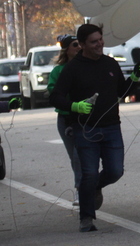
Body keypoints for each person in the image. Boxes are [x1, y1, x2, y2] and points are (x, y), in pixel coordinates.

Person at [50, 23, 140, 232]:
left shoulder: (110, 64)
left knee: (115, 171)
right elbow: (55, 97)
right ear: (82, 45)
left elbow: (121, 90)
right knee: (89, 173)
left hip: (111, 127)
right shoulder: (72, 69)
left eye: (100, 40)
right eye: (93, 42)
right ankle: (87, 217)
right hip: (85, 130)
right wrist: (74, 106)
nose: (99, 44)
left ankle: (95, 187)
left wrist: (135, 78)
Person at [47, 34, 82, 206]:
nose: (79, 47)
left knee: (90, 155)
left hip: (88, 117)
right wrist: (71, 103)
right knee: (76, 156)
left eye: (80, 44)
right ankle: (81, 190)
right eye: (75, 45)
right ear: (66, 49)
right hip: (67, 119)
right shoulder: (58, 71)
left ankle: (91, 185)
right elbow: (54, 94)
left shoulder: (90, 67)